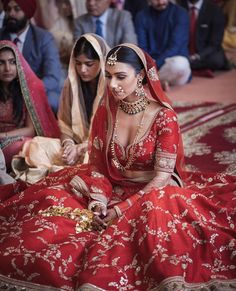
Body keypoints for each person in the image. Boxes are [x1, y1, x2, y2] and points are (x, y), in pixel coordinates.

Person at [0, 43, 235, 290]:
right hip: (111, 185)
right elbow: (99, 164)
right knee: (51, 204)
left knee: (153, 232)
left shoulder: (164, 117)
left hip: (152, 192)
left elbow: (162, 178)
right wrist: (99, 200)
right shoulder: (108, 109)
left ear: (141, 76)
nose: (112, 85)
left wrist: (121, 210)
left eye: (120, 77)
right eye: (108, 77)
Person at [11, 33, 109, 184]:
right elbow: (64, 127)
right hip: (75, 149)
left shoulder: (112, 88)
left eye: (89, 64)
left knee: (93, 159)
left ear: (101, 61)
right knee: (36, 144)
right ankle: (61, 175)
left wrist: (83, 148)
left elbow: (112, 136)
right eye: (78, 63)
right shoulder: (71, 85)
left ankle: (59, 175)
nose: (82, 69)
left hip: (99, 150)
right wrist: (68, 145)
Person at [0, 40, 60, 170]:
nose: (7, 68)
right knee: (29, 148)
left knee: (40, 145)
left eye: (12, 62)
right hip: (4, 147)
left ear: (19, 64)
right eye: (1, 63)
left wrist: (4, 136)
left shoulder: (27, 89)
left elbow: (30, 129)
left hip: (20, 140)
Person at [0, 0, 62, 113]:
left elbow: (52, 78)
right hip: (4, 90)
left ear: (28, 13)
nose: (11, 13)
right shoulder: (1, 36)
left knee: (52, 100)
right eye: (8, 9)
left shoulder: (44, 39)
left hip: (34, 90)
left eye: (17, 9)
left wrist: (26, 90)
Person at [135, 0, 191, 91]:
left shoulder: (180, 13)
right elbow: (142, 47)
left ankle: (150, 82)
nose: (161, 2)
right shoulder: (141, 16)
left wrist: (154, 65)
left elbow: (175, 47)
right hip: (149, 63)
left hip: (171, 64)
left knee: (180, 64)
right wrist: (149, 63)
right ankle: (157, 82)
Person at [179, 0, 229, 74]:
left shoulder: (215, 10)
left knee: (216, 60)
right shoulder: (177, 8)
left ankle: (187, 64)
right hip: (182, 51)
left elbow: (215, 42)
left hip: (204, 53)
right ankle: (188, 64)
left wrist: (198, 56)